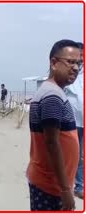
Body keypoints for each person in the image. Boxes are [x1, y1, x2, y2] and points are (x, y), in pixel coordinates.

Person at [27, 39, 82, 211]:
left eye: (79, 63)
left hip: (50, 183)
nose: (76, 68)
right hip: (50, 187)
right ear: (53, 62)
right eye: (71, 62)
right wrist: (66, 190)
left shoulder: (54, 92)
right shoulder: (52, 96)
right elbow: (52, 143)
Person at [65, 42, 84, 199]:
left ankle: (79, 186)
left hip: (83, 121)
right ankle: (67, 185)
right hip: (71, 120)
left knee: (81, 156)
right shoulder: (70, 71)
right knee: (70, 153)